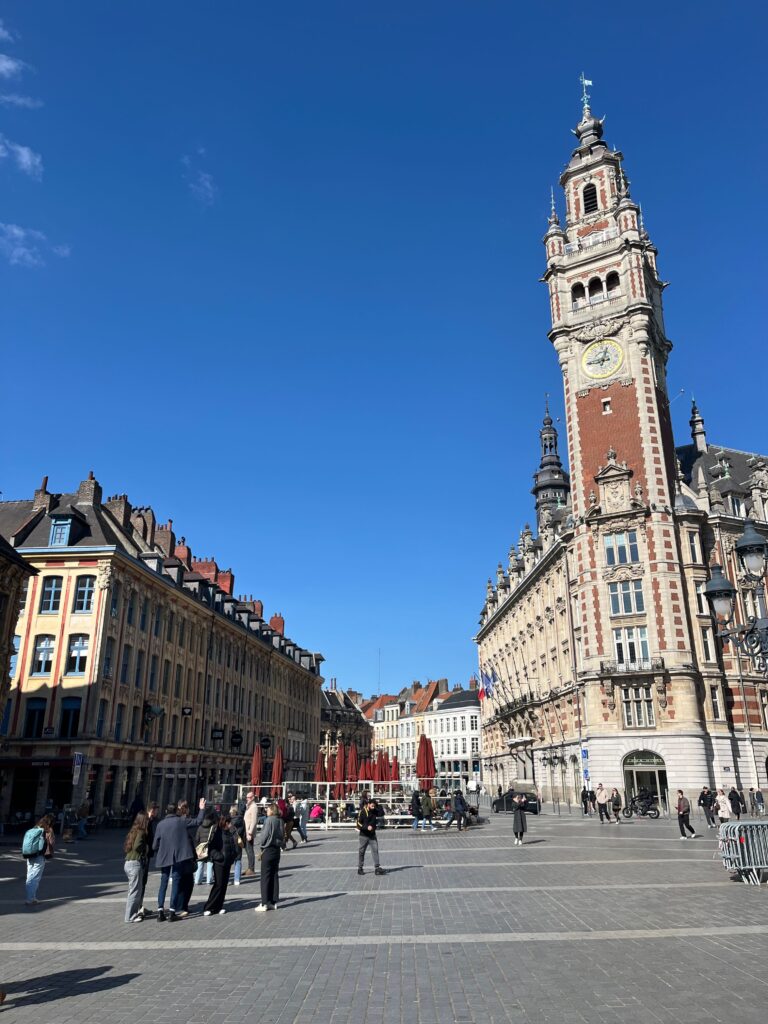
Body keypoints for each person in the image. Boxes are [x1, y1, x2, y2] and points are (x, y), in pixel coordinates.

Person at [152, 797, 206, 922]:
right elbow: (198, 821)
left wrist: (160, 849)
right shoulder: (181, 821)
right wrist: (201, 809)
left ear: (166, 811)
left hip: (165, 856)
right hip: (178, 856)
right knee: (176, 882)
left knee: (163, 883)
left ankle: (160, 911)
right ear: (176, 810)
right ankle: (172, 912)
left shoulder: (160, 825)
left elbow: (155, 845)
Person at [203, 814, 239, 915]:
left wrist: (233, 855)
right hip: (219, 862)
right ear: (225, 823)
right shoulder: (217, 832)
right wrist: (218, 856)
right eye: (229, 822)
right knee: (218, 885)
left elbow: (234, 844)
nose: (231, 824)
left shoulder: (230, 832)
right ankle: (209, 907)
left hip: (227, 862)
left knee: (223, 886)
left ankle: (219, 906)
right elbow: (212, 848)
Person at [255, 803, 284, 911]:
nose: (266, 811)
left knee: (265, 876)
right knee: (274, 875)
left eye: (268, 809)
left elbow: (264, 835)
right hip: (277, 850)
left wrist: (261, 844)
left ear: (272, 810)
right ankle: (273, 901)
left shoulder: (269, 820)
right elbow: (282, 835)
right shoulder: (280, 820)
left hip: (268, 849)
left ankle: (264, 902)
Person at [22, 814, 55, 906]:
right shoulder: (48, 830)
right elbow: (52, 843)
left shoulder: (34, 828)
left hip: (29, 854)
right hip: (39, 856)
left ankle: (32, 897)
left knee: (30, 876)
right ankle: (30, 899)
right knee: (35, 878)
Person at [123, 812, 150, 922]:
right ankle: (130, 916)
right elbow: (138, 845)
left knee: (132, 890)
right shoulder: (141, 832)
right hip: (135, 863)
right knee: (135, 891)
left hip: (128, 862)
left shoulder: (133, 830)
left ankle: (132, 913)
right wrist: (145, 849)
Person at [356, 796, 385, 875]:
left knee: (375, 850)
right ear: (368, 804)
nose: (373, 807)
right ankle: (360, 868)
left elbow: (382, 813)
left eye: (374, 806)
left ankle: (377, 868)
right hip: (364, 835)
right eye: (372, 805)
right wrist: (366, 827)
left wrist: (378, 805)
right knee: (362, 852)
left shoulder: (374, 810)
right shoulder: (362, 812)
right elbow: (358, 824)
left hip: (372, 835)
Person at [194, 810, 216, 886]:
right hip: (210, 848)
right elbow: (214, 838)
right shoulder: (213, 827)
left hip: (201, 848)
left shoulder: (200, 827)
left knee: (200, 863)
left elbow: (196, 838)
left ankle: (197, 880)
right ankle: (209, 880)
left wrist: (198, 846)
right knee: (210, 864)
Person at [229, 803, 245, 885]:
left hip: (230, 842)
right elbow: (243, 831)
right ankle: (237, 880)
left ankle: (227, 878)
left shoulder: (229, 821)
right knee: (238, 860)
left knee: (228, 861)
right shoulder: (241, 820)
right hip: (238, 841)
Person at [243, 791, 258, 876]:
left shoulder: (254, 807)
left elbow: (254, 821)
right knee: (247, 849)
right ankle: (249, 867)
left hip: (249, 832)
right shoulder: (249, 806)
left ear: (252, 798)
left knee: (250, 849)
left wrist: (250, 832)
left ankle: (251, 868)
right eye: (247, 797)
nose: (247, 799)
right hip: (246, 831)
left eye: (248, 797)